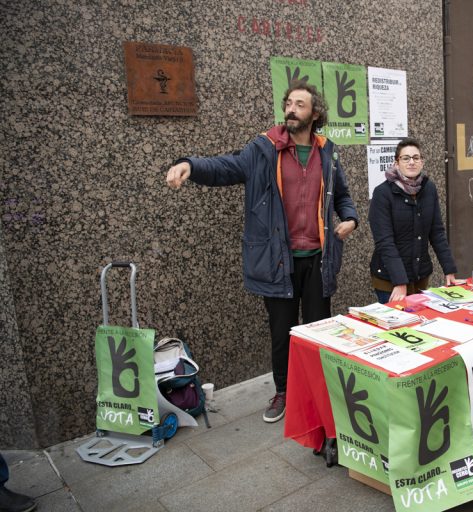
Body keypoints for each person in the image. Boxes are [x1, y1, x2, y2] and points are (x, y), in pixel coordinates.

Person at [166, 81, 359, 423]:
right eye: (288, 103)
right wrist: (190, 166)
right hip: (277, 261)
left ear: (315, 114)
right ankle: (284, 391)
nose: (291, 109)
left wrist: (351, 219)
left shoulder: (327, 152)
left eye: (300, 104)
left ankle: (316, 390)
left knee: (318, 331)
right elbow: (227, 167)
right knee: (282, 333)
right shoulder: (264, 148)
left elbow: (341, 195)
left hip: (319, 259)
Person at [368, 138, 458, 303]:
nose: (411, 162)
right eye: (406, 158)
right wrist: (400, 281)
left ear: (422, 162)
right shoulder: (383, 193)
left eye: (416, 158)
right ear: (396, 163)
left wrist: (449, 269)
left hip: (420, 275)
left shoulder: (429, 188)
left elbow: (437, 232)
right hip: (390, 280)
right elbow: (385, 242)